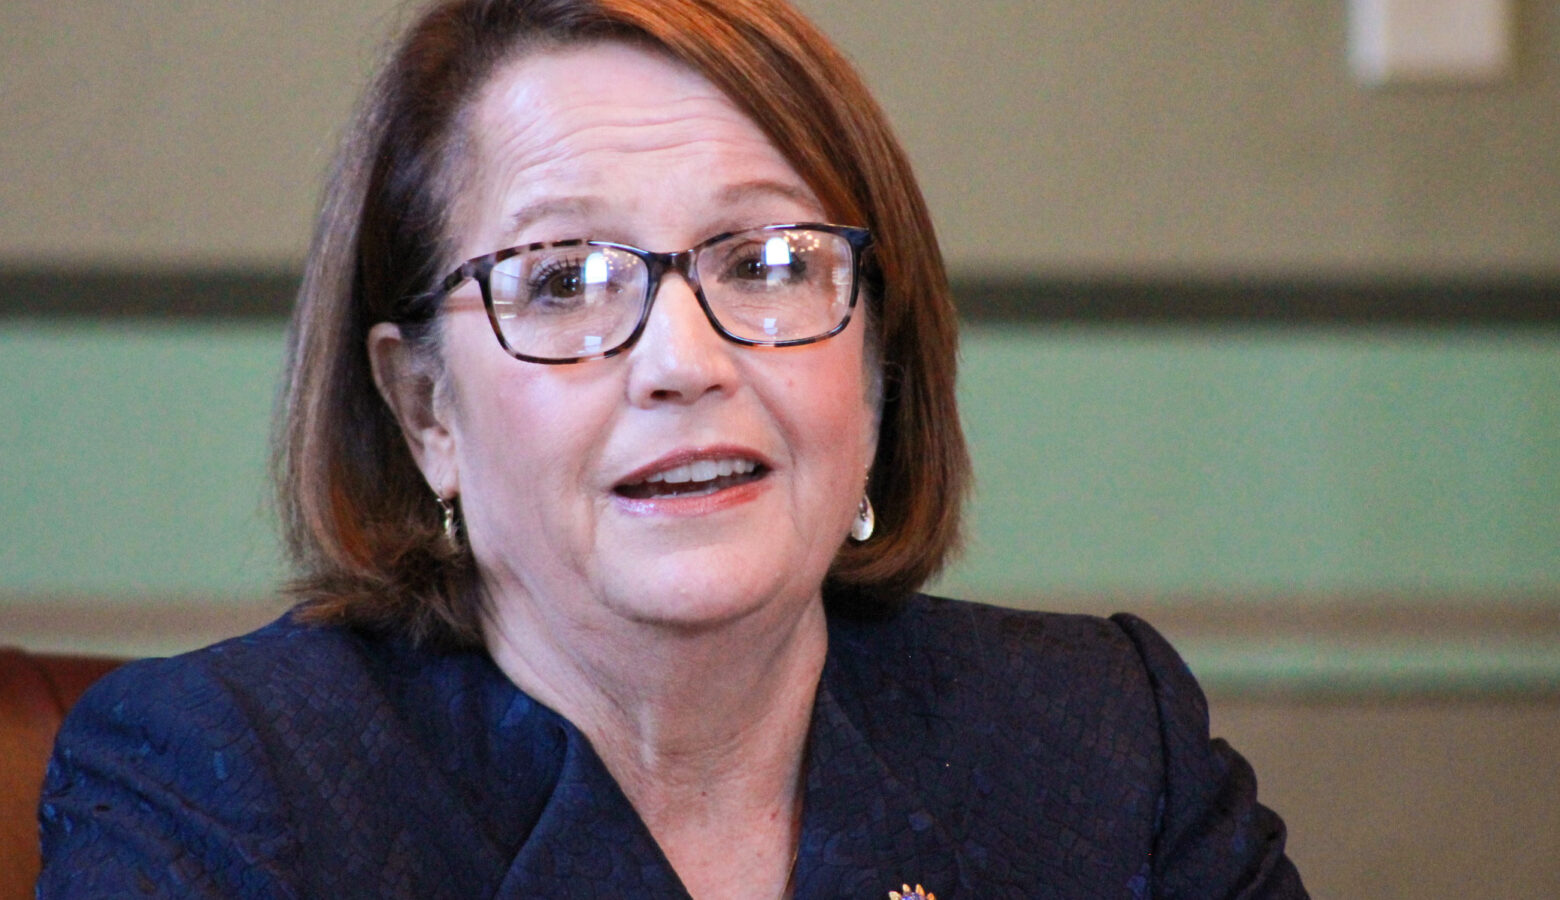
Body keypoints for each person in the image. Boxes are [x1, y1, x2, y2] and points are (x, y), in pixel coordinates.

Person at [37, 0, 1307, 896]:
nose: (684, 361)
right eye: (563, 280)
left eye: (764, 262)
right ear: (426, 410)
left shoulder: (1099, 744)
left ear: (877, 355)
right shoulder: (225, 788)